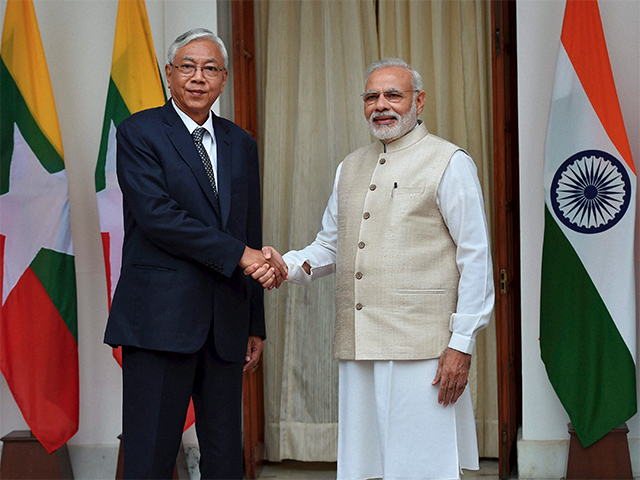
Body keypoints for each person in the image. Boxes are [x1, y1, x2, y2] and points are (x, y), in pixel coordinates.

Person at [248, 58, 494, 479]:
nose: (381, 105)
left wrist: (461, 343)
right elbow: (330, 244)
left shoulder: (449, 161)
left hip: (424, 348)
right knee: (364, 466)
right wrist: (286, 265)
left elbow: (476, 256)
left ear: (419, 101)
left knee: (422, 467)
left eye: (393, 95)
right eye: (372, 97)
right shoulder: (351, 166)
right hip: (359, 344)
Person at [104, 28, 286, 479]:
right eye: (187, 66)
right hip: (159, 321)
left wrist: (254, 324)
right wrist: (242, 254)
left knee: (226, 459)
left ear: (224, 80)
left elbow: (250, 230)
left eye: (210, 69)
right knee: (149, 457)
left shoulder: (240, 142)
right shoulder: (139, 131)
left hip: (225, 325)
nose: (198, 77)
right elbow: (158, 217)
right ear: (170, 74)